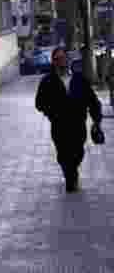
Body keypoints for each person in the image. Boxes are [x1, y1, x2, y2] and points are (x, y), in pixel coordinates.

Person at [35, 46, 102, 192]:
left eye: (63, 58)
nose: (61, 62)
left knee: (78, 152)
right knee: (63, 153)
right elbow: (39, 103)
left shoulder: (79, 79)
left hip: (78, 124)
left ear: (68, 60)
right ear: (53, 62)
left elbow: (92, 100)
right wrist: (51, 113)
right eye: (57, 59)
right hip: (59, 125)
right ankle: (71, 179)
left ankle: (72, 172)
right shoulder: (48, 81)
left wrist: (97, 120)